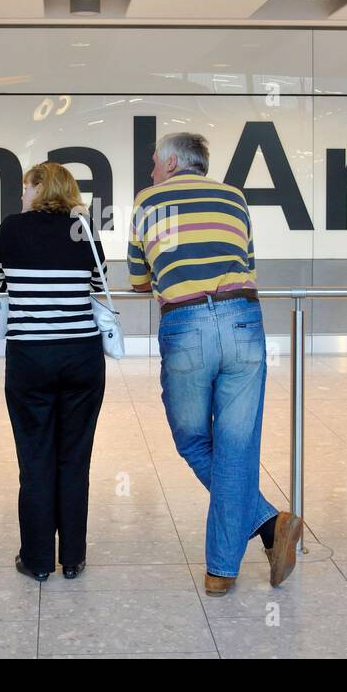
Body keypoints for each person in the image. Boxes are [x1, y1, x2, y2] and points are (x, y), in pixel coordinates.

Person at [128, 132, 303, 597]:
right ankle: (232, 559)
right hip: (244, 317)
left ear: (169, 163)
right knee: (237, 445)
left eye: (153, 162)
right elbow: (248, 260)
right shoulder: (234, 198)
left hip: (186, 324)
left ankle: (265, 526)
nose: (150, 171)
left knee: (191, 438)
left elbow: (138, 279)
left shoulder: (149, 201)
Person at [0, 162, 107, 582]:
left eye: (25, 186)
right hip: (82, 356)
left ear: (40, 187)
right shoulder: (83, 230)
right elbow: (98, 281)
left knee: (34, 458)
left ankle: (36, 561)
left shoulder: (11, 228)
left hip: (31, 357)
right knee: (75, 457)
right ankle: (73, 557)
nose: (21, 195)